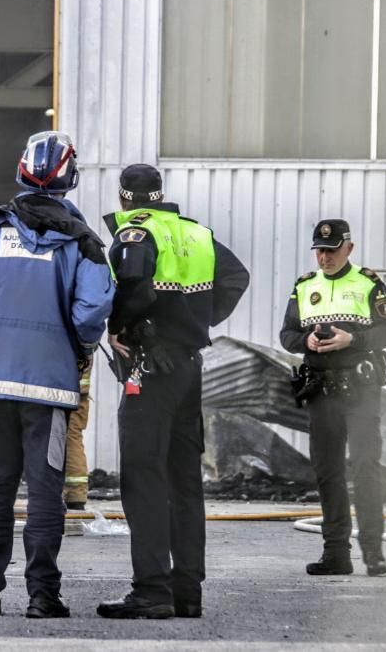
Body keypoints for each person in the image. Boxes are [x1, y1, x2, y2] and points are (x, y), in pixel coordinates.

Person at [0, 131, 114, 619]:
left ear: (22, 172)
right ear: (70, 179)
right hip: (48, 386)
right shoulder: (82, 242)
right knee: (45, 492)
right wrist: (80, 351)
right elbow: (92, 310)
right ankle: (42, 596)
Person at [97, 164, 249, 619]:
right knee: (184, 481)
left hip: (150, 367)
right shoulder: (196, 234)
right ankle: (187, 591)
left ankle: (151, 590)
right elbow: (235, 277)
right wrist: (195, 325)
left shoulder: (136, 236)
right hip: (187, 365)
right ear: (160, 195)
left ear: (124, 197)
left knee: (143, 478)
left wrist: (122, 327)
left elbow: (133, 286)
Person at [279, 219, 386, 577]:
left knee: (365, 468)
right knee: (328, 471)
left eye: (331, 251)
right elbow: (288, 334)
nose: (324, 257)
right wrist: (308, 342)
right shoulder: (304, 286)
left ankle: (374, 554)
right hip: (320, 388)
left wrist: (353, 340)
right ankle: (336, 554)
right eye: (319, 250)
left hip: (360, 388)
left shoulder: (367, 282)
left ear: (349, 248)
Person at [63, 361, 92, 510]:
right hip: (77, 378)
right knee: (72, 434)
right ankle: (75, 494)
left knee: (69, 435)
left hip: (66, 381)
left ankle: (74, 494)